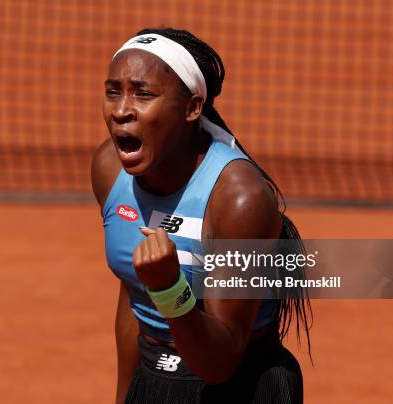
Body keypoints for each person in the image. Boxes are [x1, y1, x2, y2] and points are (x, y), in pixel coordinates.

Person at [91, 27, 311, 404]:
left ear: (193, 108)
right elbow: (133, 293)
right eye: (114, 91)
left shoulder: (239, 199)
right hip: (153, 376)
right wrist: (126, 396)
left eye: (143, 94)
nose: (121, 110)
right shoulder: (109, 169)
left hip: (240, 386)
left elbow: (219, 362)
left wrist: (169, 288)